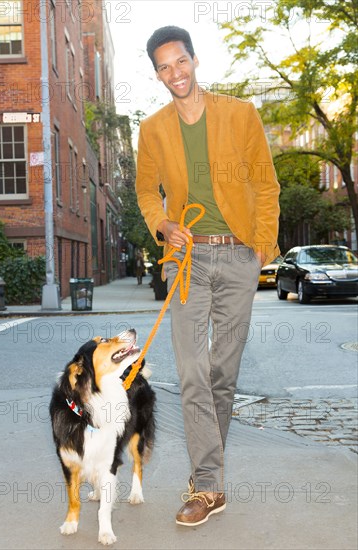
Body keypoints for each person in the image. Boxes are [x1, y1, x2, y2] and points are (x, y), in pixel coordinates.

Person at [135, 26, 280, 526]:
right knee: (193, 372)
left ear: (195, 61)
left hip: (238, 255)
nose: (174, 73)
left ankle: (206, 476)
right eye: (163, 67)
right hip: (188, 259)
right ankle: (209, 486)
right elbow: (145, 191)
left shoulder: (239, 113)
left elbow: (265, 183)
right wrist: (162, 223)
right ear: (156, 73)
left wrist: (260, 249)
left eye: (180, 62)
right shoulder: (152, 129)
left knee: (223, 374)